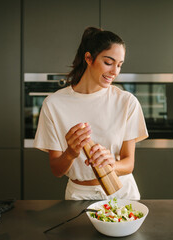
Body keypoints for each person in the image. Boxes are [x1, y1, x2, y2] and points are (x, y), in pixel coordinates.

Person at [34, 27, 148, 200]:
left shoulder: (126, 102)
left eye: (119, 65)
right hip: (79, 196)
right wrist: (71, 152)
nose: (114, 72)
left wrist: (111, 164)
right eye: (108, 63)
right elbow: (57, 170)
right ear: (89, 58)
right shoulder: (53, 104)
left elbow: (129, 163)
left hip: (122, 192)